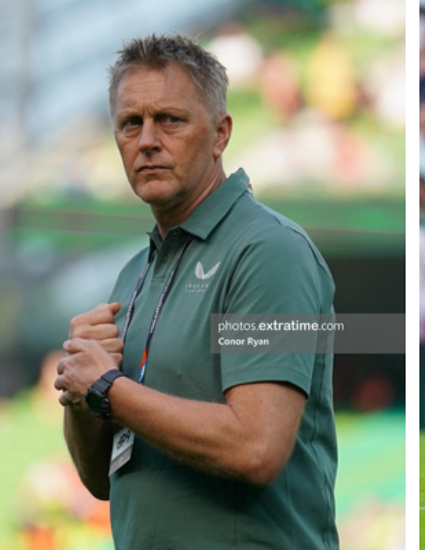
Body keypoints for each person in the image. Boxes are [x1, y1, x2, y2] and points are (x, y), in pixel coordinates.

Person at [53, 34, 338, 549]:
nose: (147, 141)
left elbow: (257, 447)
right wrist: (80, 392)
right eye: (130, 123)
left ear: (220, 133)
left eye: (171, 120)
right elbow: (101, 481)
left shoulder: (269, 250)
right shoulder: (134, 273)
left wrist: (107, 387)